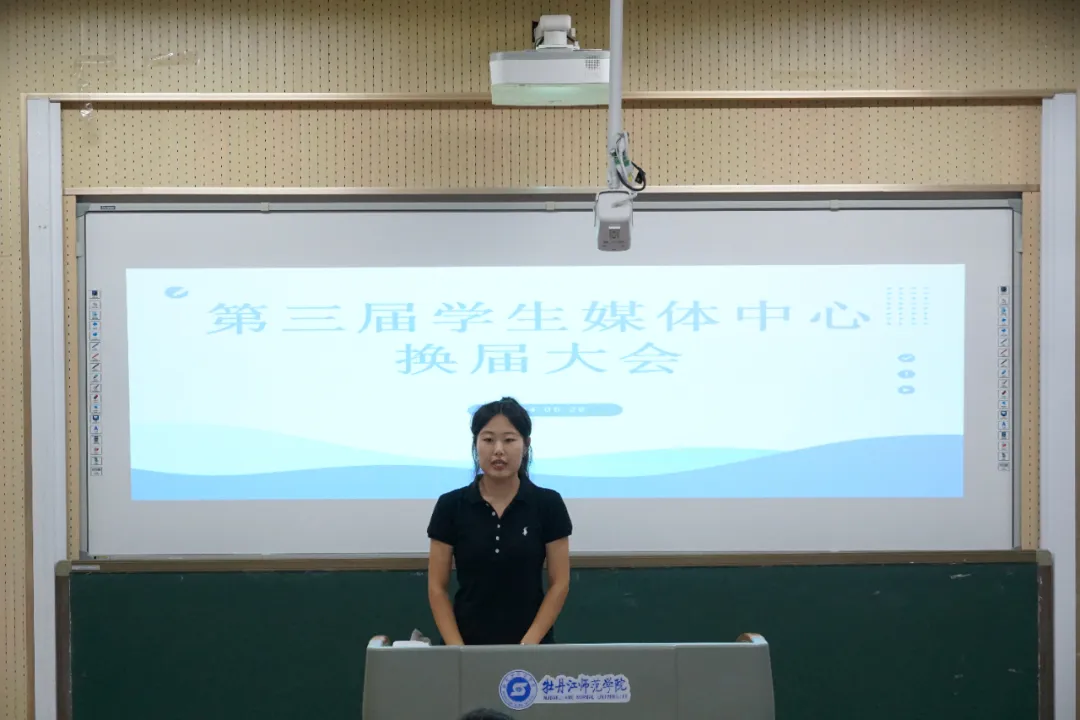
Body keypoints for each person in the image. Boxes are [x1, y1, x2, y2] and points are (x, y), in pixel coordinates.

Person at [427, 397, 572, 646]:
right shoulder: (451, 505)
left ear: (526, 445)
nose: (498, 450)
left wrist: (529, 644)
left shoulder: (548, 504)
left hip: (532, 647)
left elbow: (560, 583)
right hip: (464, 645)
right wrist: (457, 649)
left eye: (509, 440)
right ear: (475, 444)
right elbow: (436, 587)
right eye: (488, 440)